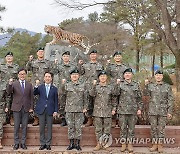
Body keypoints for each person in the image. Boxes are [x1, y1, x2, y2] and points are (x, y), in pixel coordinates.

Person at [144, 70, 174, 153]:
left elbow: (170, 99)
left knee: (161, 129)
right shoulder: (151, 86)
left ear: (162, 77)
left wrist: (170, 111)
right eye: (157, 75)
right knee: (153, 128)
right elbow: (145, 94)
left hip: (163, 111)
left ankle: (160, 145)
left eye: (160, 75)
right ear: (155, 76)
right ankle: (154, 144)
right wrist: (146, 85)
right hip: (153, 111)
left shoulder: (167, 86)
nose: (158, 77)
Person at [115, 68, 143, 153]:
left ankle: (130, 144)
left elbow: (139, 98)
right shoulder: (120, 84)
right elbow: (115, 95)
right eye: (126, 73)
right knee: (123, 128)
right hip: (122, 110)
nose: (127, 75)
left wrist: (139, 109)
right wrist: (117, 85)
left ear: (132, 75)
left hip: (133, 111)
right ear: (124, 75)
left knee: (131, 129)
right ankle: (123, 144)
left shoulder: (136, 85)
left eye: (129, 73)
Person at [60, 69, 88, 151]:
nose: (74, 76)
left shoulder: (83, 85)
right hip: (69, 109)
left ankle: (78, 144)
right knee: (70, 127)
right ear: (70, 76)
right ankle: (71, 143)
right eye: (73, 75)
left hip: (79, 110)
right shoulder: (67, 85)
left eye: (76, 74)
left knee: (78, 127)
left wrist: (85, 107)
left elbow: (85, 97)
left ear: (78, 76)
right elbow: (62, 96)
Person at [6, 68, 33, 150]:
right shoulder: (14, 84)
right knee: (16, 126)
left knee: (25, 126)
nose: (22, 75)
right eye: (21, 74)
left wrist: (31, 107)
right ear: (18, 75)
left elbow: (31, 97)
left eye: (24, 74)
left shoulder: (29, 84)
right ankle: (16, 143)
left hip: (26, 108)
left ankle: (23, 143)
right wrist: (10, 84)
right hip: (16, 108)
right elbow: (9, 92)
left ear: (26, 75)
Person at [89, 71, 116, 151]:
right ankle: (99, 144)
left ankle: (105, 144)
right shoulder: (96, 87)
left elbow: (114, 99)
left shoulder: (110, 87)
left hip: (107, 111)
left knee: (107, 129)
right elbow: (91, 94)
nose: (103, 77)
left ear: (106, 77)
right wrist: (93, 85)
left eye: (104, 76)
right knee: (98, 129)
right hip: (97, 111)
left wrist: (114, 109)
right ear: (98, 78)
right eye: (101, 76)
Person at [26, 47, 53, 126]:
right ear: (37, 53)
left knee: (45, 101)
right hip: (36, 85)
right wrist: (30, 60)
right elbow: (27, 68)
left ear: (44, 53)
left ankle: (44, 119)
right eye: (39, 52)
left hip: (46, 85)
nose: (41, 53)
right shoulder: (33, 62)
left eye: (42, 52)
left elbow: (51, 73)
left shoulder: (47, 63)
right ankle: (36, 118)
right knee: (35, 102)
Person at [78, 49, 104, 126]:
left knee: (97, 104)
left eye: (94, 54)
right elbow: (80, 72)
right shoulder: (85, 65)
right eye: (91, 54)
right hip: (88, 88)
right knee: (88, 104)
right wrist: (79, 65)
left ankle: (96, 120)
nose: (93, 56)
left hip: (97, 88)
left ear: (97, 55)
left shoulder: (100, 65)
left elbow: (103, 76)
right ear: (89, 56)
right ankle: (89, 119)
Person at [34, 72, 58, 150]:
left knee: (49, 128)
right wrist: (36, 86)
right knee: (41, 128)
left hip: (50, 110)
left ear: (51, 78)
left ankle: (48, 143)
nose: (47, 78)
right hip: (42, 110)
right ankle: (42, 143)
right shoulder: (40, 87)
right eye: (46, 76)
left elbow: (56, 100)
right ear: (44, 78)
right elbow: (35, 93)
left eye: (49, 77)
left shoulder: (54, 88)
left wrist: (56, 110)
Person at [53, 51, 76, 126]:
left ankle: (70, 119)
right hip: (62, 87)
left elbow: (77, 75)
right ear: (62, 57)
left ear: (69, 57)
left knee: (71, 103)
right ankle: (63, 119)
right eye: (64, 56)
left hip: (71, 87)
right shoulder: (59, 65)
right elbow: (54, 72)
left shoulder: (73, 66)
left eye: (67, 56)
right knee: (62, 103)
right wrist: (55, 64)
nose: (66, 57)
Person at [106, 51, 128, 127]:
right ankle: (113, 119)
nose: (118, 57)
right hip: (113, 87)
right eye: (116, 56)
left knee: (122, 103)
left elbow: (128, 76)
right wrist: (108, 64)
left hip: (123, 87)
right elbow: (106, 74)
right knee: (113, 103)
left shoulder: (125, 67)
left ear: (121, 57)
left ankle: (120, 120)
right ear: (114, 58)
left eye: (119, 56)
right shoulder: (111, 66)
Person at [0, 52, 19, 128]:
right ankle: (4, 118)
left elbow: (19, 77)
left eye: (10, 56)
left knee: (13, 101)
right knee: (4, 102)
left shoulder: (16, 67)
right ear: (5, 58)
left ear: (13, 58)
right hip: (3, 87)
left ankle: (12, 117)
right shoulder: (1, 66)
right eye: (7, 56)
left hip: (13, 87)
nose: (9, 58)